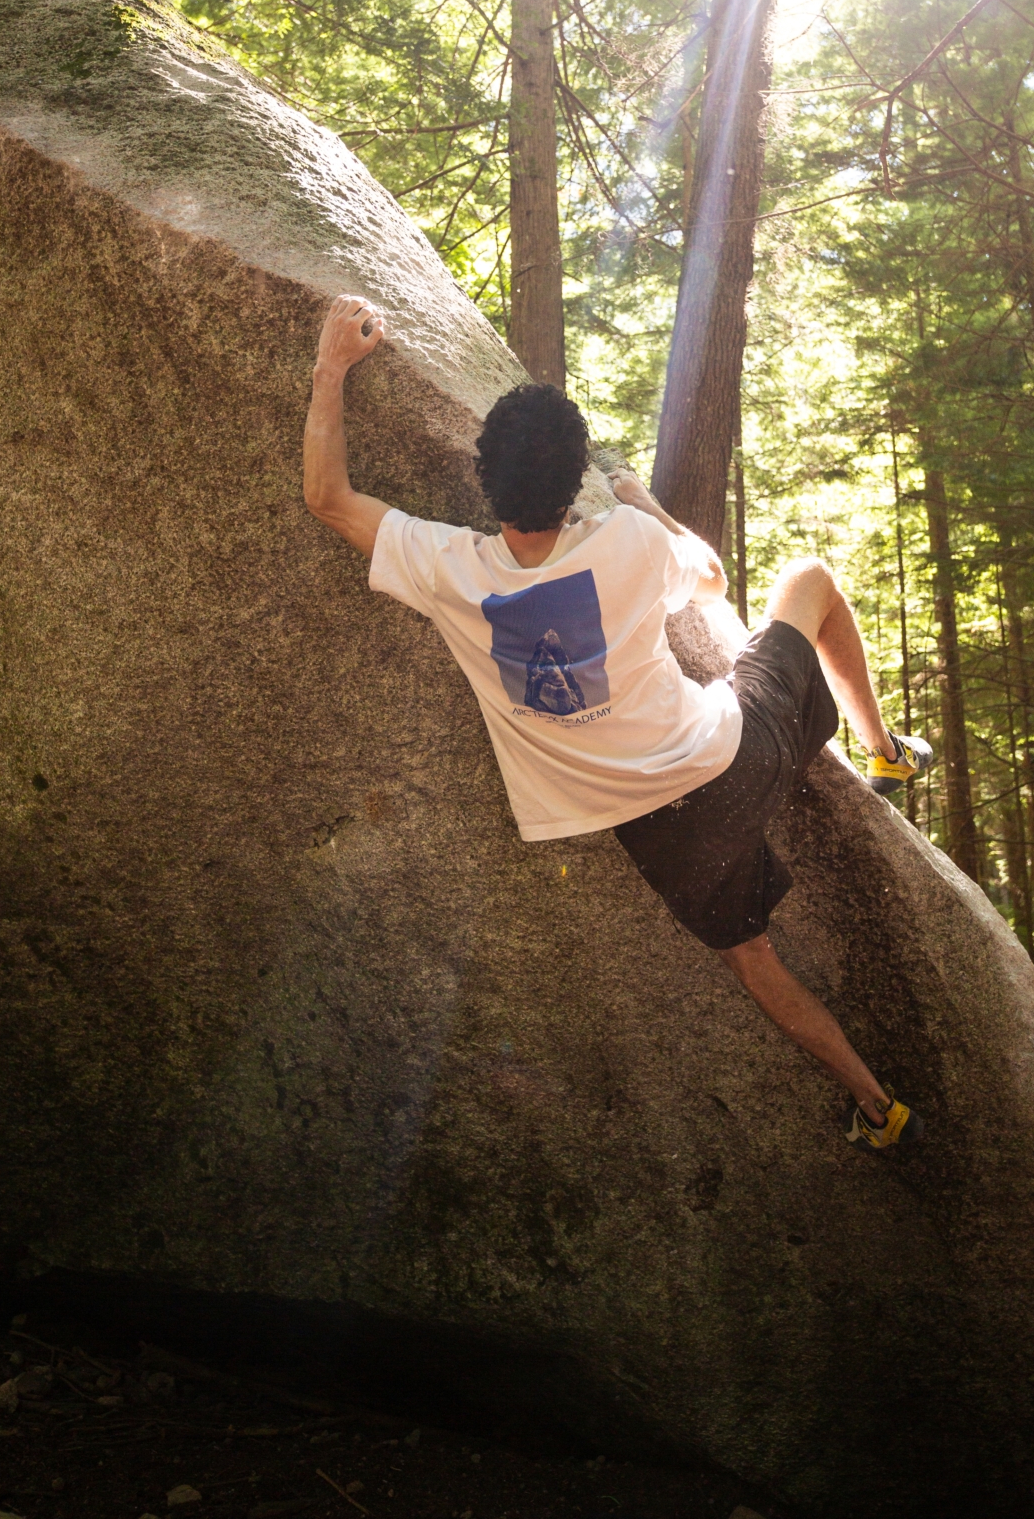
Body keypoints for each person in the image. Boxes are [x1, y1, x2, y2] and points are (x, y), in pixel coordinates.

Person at [304, 295, 933, 1152]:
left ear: (484, 479)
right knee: (812, 579)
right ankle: (887, 753)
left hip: (656, 831)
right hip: (729, 756)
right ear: (574, 485)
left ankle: (876, 1106)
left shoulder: (447, 568)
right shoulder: (628, 540)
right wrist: (638, 494)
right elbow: (709, 578)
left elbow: (327, 497)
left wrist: (332, 365)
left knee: (753, 959)